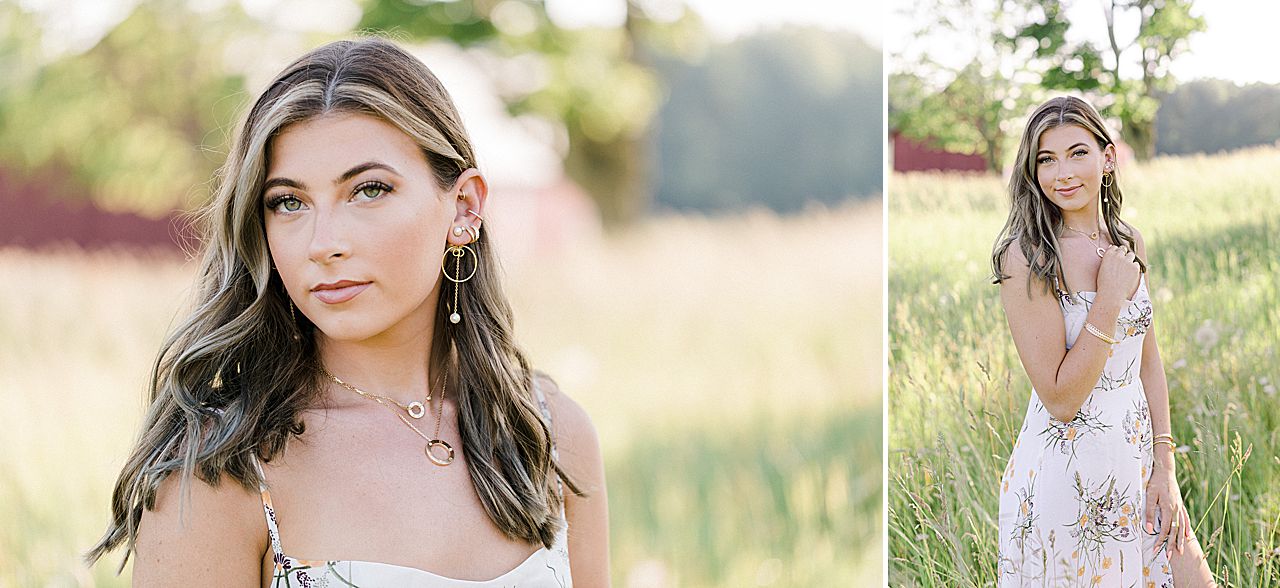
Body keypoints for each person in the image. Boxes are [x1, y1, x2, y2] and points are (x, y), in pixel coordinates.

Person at [85, 37, 609, 586]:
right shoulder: (225, 467)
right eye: (289, 202)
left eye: (368, 190)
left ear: (463, 207)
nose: (322, 243)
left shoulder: (547, 433)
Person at [991, 96, 1215, 586]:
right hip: (1068, 479)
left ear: (1107, 158)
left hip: (1136, 462)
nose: (1062, 173)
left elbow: (1148, 364)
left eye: (1077, 153)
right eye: (1046, 159)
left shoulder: (1129, 242)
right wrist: (1108, 298)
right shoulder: (1026, 259)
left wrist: (1165, 467)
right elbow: (1061, 399)